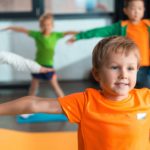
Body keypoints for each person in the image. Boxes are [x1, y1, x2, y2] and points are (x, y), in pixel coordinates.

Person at [0, 36, 150, 150]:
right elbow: (34, 104)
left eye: (130, 68)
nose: (124, 74)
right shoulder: (86, 102)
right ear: (97, 74)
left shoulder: (146, 99)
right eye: (114, 67)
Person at [68, 0, 150, 88]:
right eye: (133, 8)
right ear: (125, 10)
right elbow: (100, 31)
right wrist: (79, 36)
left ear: (144, 10)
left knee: (145, 94)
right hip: (127, 67)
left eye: (140, 8)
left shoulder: (147, 25)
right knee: (126, 93)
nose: (136, 11)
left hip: (145, 67)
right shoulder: (121, 26)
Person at [3, 13, 77, 97]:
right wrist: (9, 27)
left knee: (56, 87)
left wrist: (80, 34)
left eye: (48, 25)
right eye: (44, 25)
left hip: (49, 66)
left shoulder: (55, 35)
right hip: (37, 65)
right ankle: (28, 106)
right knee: (33, 88)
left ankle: (65, 104)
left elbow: (68, 32)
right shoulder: (37, 35)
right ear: (41, 26)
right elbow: (22, 30)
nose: (46, 27)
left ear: (52, 25)